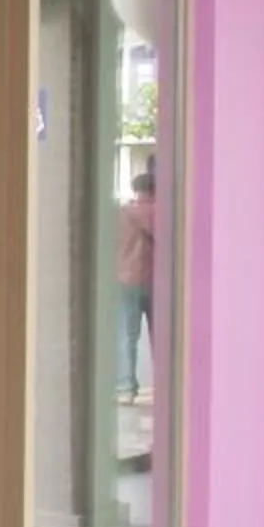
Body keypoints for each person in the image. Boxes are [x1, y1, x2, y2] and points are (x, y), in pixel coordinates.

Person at [118, 163, 157, 401]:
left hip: (124, 279)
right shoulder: (162, 212)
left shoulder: (121, 213)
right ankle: (165, 386)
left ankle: (125, 388)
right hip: (156, 280)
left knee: (126, 335)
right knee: (161, 337)